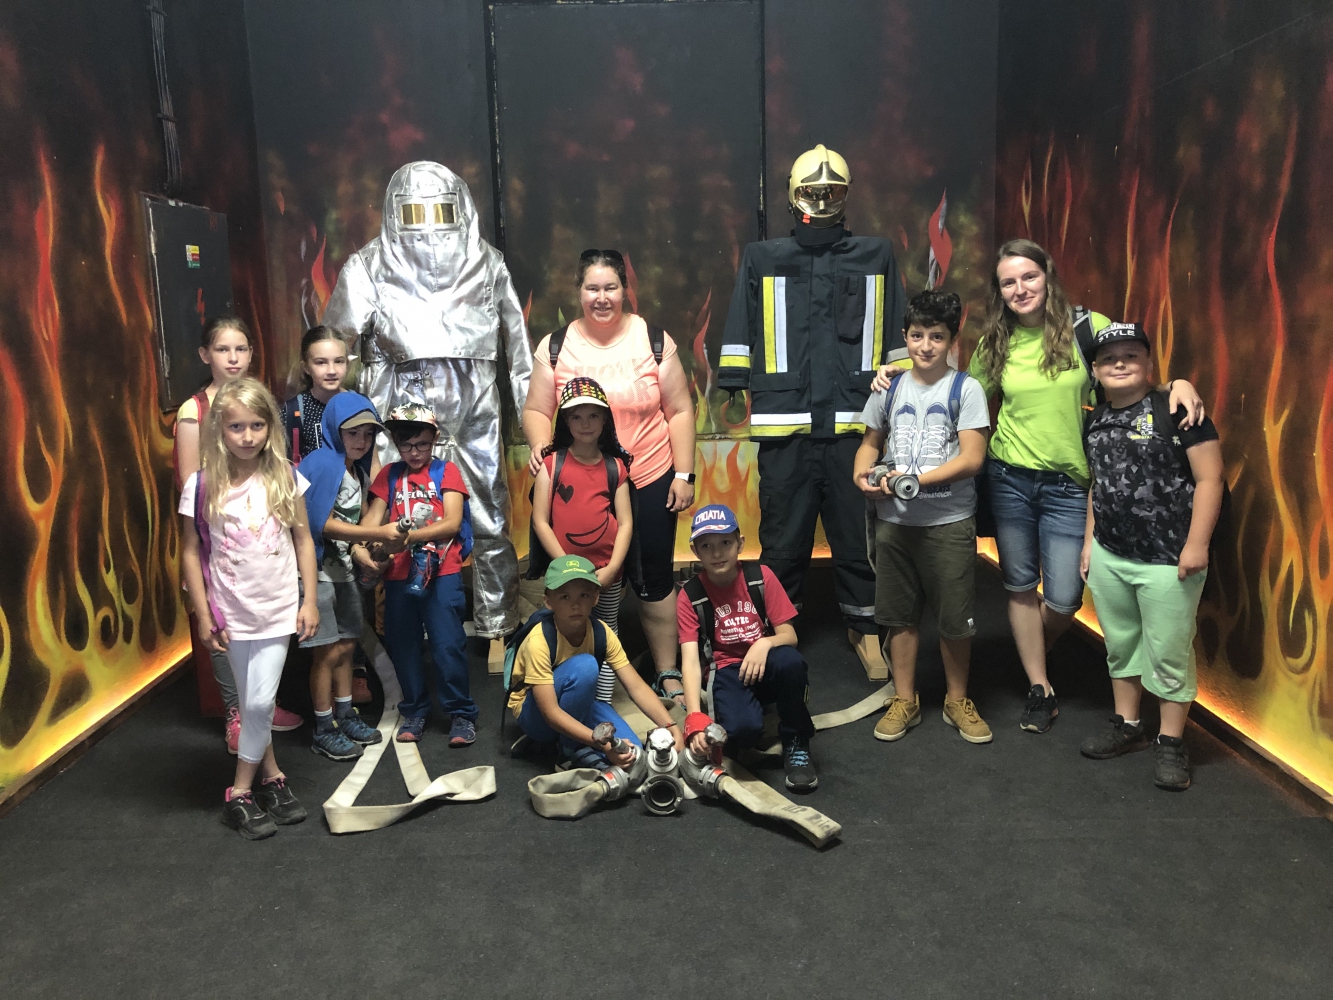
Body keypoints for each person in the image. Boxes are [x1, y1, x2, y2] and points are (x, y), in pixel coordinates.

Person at [874, 239, 1205, 733]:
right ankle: (1038, 685)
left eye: (1029, 276)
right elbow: (953, 384)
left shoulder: (1085, 327)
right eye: (1009, 282)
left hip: (1070, 483)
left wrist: (1176, 384)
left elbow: (1126, 368)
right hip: (1009, 478)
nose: (1020, 288)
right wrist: (897, 371)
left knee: (1066, 597)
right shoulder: (997, 341)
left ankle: (1024, 653)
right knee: (1020, 585)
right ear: (1000, 291)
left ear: (1047, 276)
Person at [322, 161, 534, 644]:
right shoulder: (368, 266)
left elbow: (520, 354)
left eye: (441, 211)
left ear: (461, 210)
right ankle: (399, 626)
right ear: (394, 213)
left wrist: (533, 424)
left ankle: (497, 623)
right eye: (414, 213)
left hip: (474, 410)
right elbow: (333, 348)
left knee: (488, 516)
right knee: (395, 517)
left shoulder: (487, 263)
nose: (429, 227)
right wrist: (335, 425)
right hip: (398, 408)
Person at [719, 144, 905, 680]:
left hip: (854, 425)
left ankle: (866, 627)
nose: (822, 200)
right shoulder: (763, 257)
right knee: (783, 538)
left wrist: (900, 393)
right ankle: (778, 628)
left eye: (832, 191)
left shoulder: (876, 255)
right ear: (793, 195)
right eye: (812, 191)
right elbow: (740, 322)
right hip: (786, 426)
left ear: (846, 195)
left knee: (856, 535)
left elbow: (895, 331)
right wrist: (734, 383)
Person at [522, 249, 696, 704]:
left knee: (654, 577)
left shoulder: (653, 340)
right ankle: (578, 675)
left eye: (611, 287)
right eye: (592, 288)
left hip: (651, 474)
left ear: (625, 289)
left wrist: (684, 473)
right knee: (580, 578)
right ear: (579, 292)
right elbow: (537, 409)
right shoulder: (556, 346)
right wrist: (542, 448)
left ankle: (667, 670)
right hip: (583, 482)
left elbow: (680, 410)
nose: (602, 297)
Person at [1078, 324, 1223, 790]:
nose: (1119, 363)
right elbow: (1098, 483)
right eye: (1108, 358)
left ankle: (1172, 741)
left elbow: (1210, 479)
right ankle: (1128, 725)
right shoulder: (1095, 419)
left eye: (1130, 355)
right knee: (1121, 644)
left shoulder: (1178, 410)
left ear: (1148, 363)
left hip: (1168, 558)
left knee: (1169, 652)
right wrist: (1090, 541)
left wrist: (1197, 544)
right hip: (1111, 554)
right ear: (1095, 370)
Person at [178, 377, 319, 840]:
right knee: (251, 701)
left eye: (257, 425)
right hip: (230, 613)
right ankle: (273, 777)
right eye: (236, 426)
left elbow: (303, 540)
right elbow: (191, 551)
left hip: (277, 609)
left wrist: (310, 599)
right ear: (219, 429)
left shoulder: (285, 476)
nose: (247, 436)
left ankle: (238, 792)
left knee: (259, 702)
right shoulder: (201, 485)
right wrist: (203, 613)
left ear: (269, 427)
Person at [853, 291, 992, 744]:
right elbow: (871, 442)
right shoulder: (889, 386)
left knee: (955, 617)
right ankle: (904, 698)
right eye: (917, 336)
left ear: (952, 340)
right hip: (894, 521)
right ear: (905, 337)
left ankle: (957, 699)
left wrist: (916, 479)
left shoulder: (966, 389)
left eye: (937, 336)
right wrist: (861, 474)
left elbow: (972, 458)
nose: (926, 346)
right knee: (899, 615)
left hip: (948, 521)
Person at [173, 315, 302, 753]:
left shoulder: (256, 401)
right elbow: (193, 482)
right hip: (219, 531)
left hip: (259, 530)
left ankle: (259, 710)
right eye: (223, 349)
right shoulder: (195, 410)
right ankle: (237, 711)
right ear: (206, 355)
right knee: (223, 626)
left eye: (241, 349)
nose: (233, 358)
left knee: (260, 627)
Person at [296, 393, 407, 761]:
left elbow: (352, 524)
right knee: (326, 653)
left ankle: (345, 714)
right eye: (353, 433)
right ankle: (323, 726)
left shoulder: (355, 470)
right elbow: (320, 524)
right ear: (334, 430)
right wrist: (375, 533)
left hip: (341, 572)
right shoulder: (323, 464)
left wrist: (366, 551)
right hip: (317, 573)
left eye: (368, 434)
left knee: (346, 648)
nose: (361, 441)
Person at [677, 505, 818, 792]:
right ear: (695, 551)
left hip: (765, 661)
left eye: (725, 543)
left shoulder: (761, 577)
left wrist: (764, 643)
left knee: (790, 661)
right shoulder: (690, 595)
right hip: (727, 669)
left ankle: (796, 739)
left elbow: (789, 635)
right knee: (743, 733)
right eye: (707, 546)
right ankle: (747, 712)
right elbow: (690, 660)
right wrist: (694, 716)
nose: (717, 553)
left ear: (740, 544)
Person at [362, 404, 477, 746]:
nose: (414, 453)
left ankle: (460, 712)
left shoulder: (446, 471)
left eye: (422, 444)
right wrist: (365, 544)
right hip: (398, 574)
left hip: (443, 572)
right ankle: (414, 710)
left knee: (448, 645)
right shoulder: (389, 475)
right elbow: (372, 521)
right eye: (406, 445)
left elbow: (452, 522)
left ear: (435, 439)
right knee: (404, 646)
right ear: (395, 442)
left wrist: (407, 537)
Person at [508, 555, 683, 769]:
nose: (575, 604)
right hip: (537, 716)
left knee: (633, 753)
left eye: (584, 595)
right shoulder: (539, 640)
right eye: (564, 596)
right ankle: (568, 750)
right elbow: (550, 712)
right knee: (586, 666)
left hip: (579, 703)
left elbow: (636, 687)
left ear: (595, 597)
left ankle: (572, 741)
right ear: (548, 601)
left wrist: (670, 726)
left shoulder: (601, 632)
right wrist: (602, 744)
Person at [530, 377, 634, 701]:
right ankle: (571, 703)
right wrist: (566, 566)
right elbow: (540, 521)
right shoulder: (551, 464)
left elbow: (626, 523)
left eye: (593, 415)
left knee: (606, 631)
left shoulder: (615, 466)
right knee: (567, 630)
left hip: (606, 573)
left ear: (605, 420)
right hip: (565, 575)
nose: (585, 424)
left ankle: (601, 703)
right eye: (576, 416)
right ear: (565, 420)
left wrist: (612, 568)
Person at [282, 326, 350, 463]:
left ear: (347, 363)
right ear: (306, 367)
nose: (331, 370)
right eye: (321, 362)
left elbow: (373, 462)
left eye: (338, 361)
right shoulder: (293, 411)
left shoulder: (360, 405)